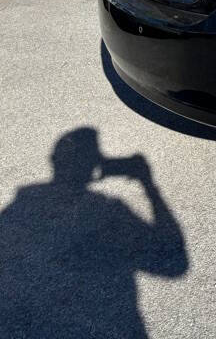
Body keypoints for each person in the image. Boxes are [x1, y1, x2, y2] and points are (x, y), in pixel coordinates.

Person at [0, 128, 187, 338]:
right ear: (95, 165)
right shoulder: (109, 209)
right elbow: (175, 265)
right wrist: (149, 185)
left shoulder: (16, 210)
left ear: (53, 160)